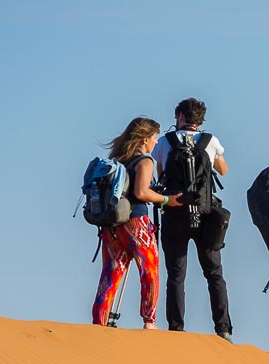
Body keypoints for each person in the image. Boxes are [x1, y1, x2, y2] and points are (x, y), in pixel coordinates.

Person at [152, 97, 232, 341]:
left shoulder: (165, 142)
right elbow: (224, 170)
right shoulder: (211, 140)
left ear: (179, 116)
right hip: (205, 212)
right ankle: (223, 329)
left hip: (174, 211)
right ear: (200, 119)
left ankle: (176, 328)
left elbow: (160, 173)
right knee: (214, 272)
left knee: (176, 273)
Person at [92, 117, 183, 328]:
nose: (155, 143)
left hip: (112, 226)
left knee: (110, 273)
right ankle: (149, 321)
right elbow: (141, 192)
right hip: (136, 223)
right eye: (154, 139)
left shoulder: (118, 160)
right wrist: (167, 200)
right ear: (144, 139)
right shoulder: (145, 161)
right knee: (149, 271)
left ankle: (99, 322)